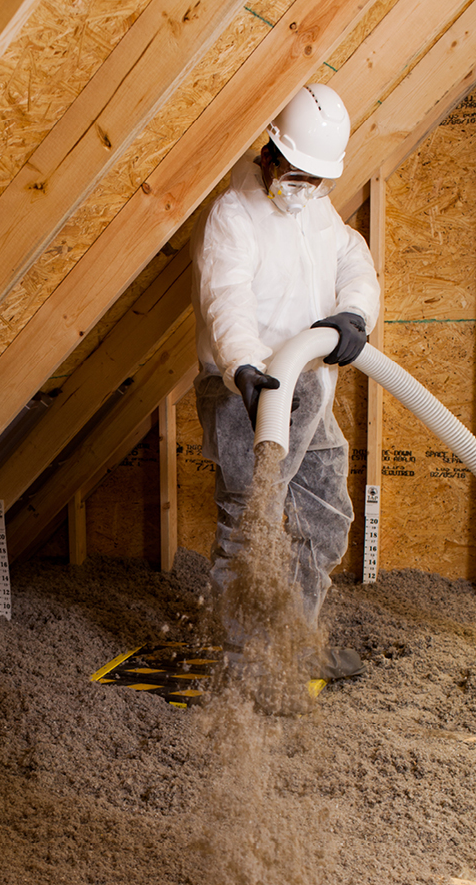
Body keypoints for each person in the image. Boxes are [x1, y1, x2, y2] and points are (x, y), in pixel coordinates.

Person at [190, 83, 381, 680]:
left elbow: (352, 257)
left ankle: (294, 644)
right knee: (251, 526)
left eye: (313, 179)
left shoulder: (316, 209)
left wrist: (354, 313)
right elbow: (227, 297)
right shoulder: (234, 214)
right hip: (248, 393)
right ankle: (243, 664)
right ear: (270, 152)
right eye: (294, 173)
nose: (301, 187)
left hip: (309, 389)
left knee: (324, 515)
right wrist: (244, 362)